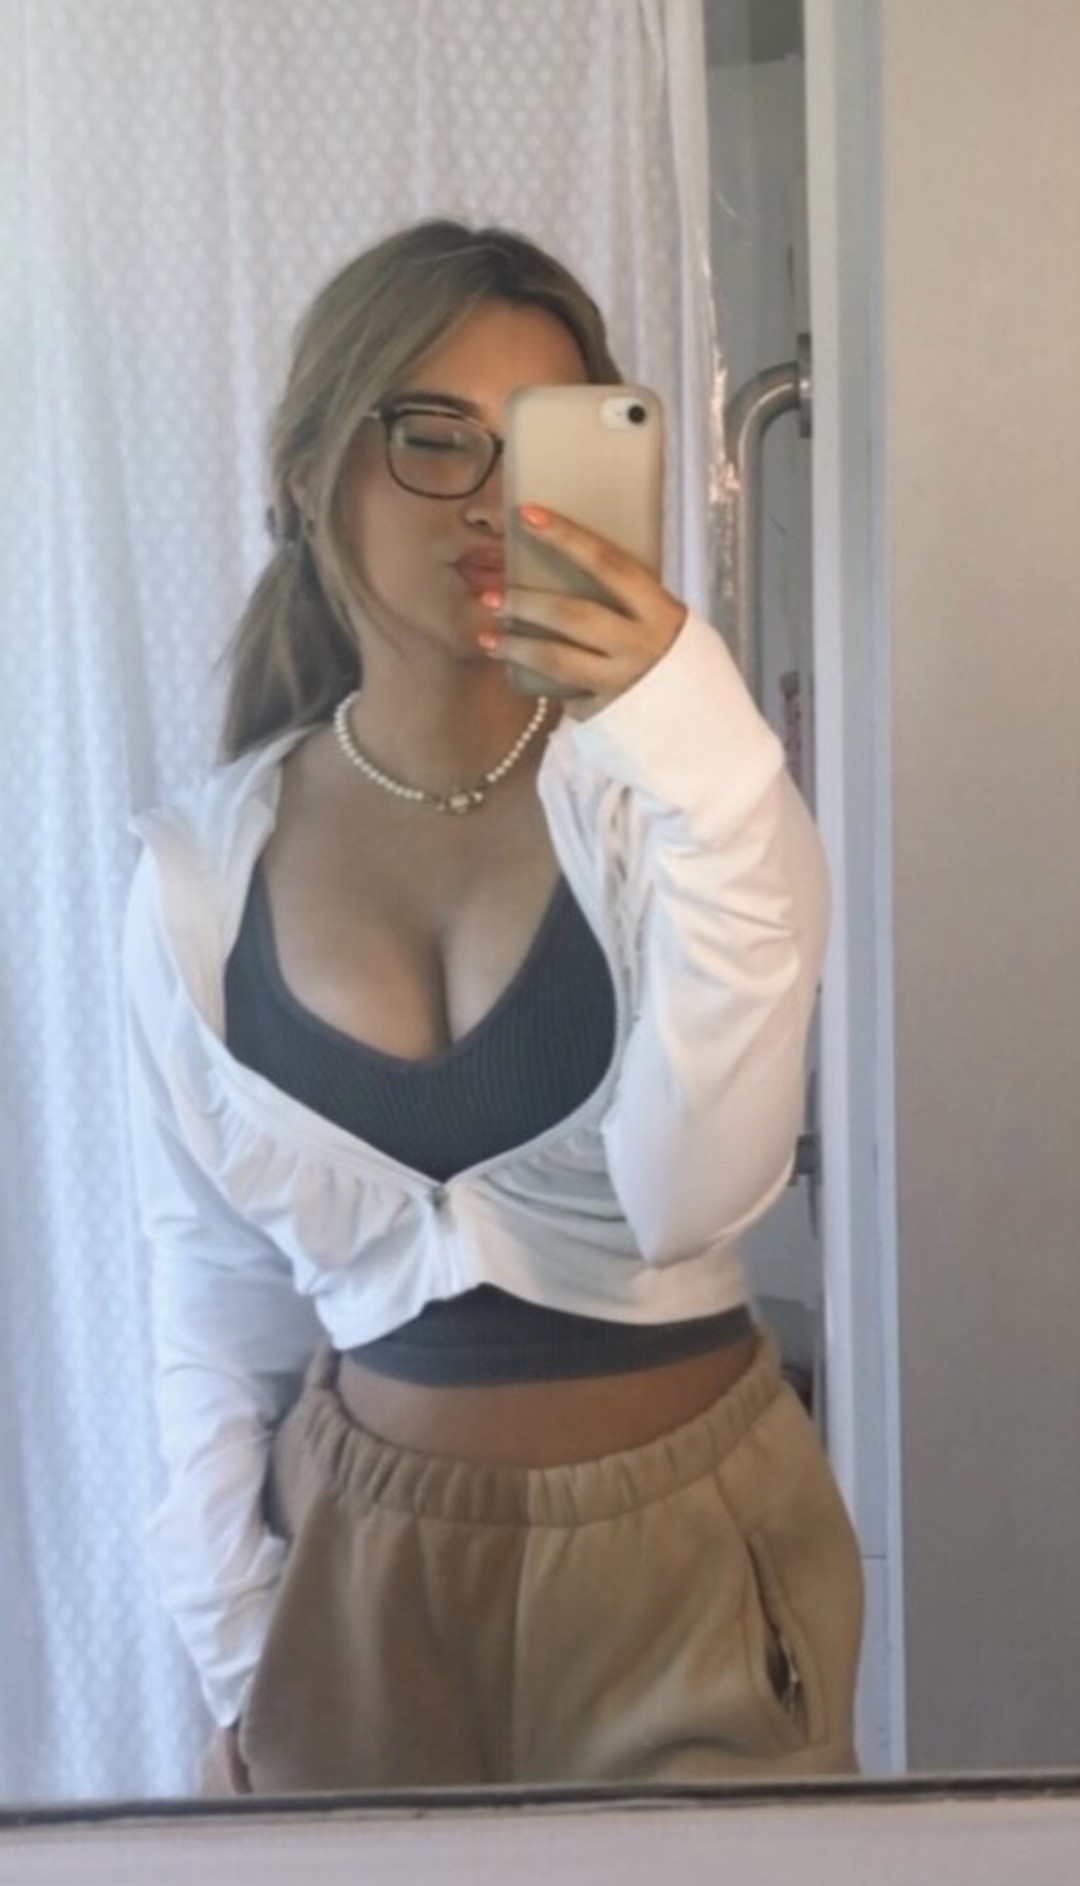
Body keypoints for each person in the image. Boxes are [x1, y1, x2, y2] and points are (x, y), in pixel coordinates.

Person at [124, 217, 863, 1795]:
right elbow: (214, 1297)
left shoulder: (678, 806)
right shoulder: (199, 876)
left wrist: (702, 742)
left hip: (686, 1556)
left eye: (542, 439)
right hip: (355, 1564)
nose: (492, 497)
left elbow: (694, 1194)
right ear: (313, 470)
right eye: (435, 434)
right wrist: (243, 1640)